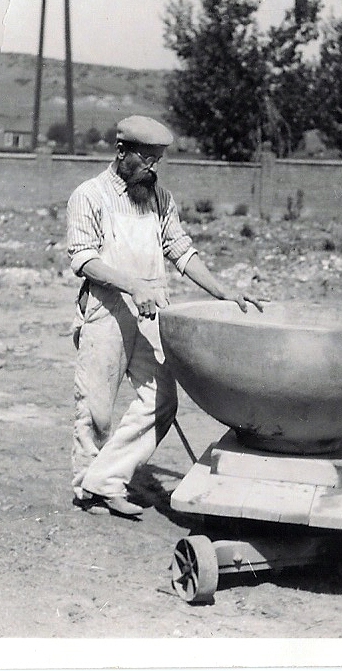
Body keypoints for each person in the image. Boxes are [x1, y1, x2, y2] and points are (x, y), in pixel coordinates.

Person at [66, 115, 264, 519]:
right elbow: (84, 259)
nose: (153, 168)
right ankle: (87, 489)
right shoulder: (88, 196)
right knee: (97, 408)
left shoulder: (161, 199)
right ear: (122, 152)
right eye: (146, 159)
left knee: (161, 400)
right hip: (106, 310)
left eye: (158, 160)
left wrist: (223, 290)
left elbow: (181, 250)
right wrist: (132, 285)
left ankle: (103, 481)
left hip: (152, 312)